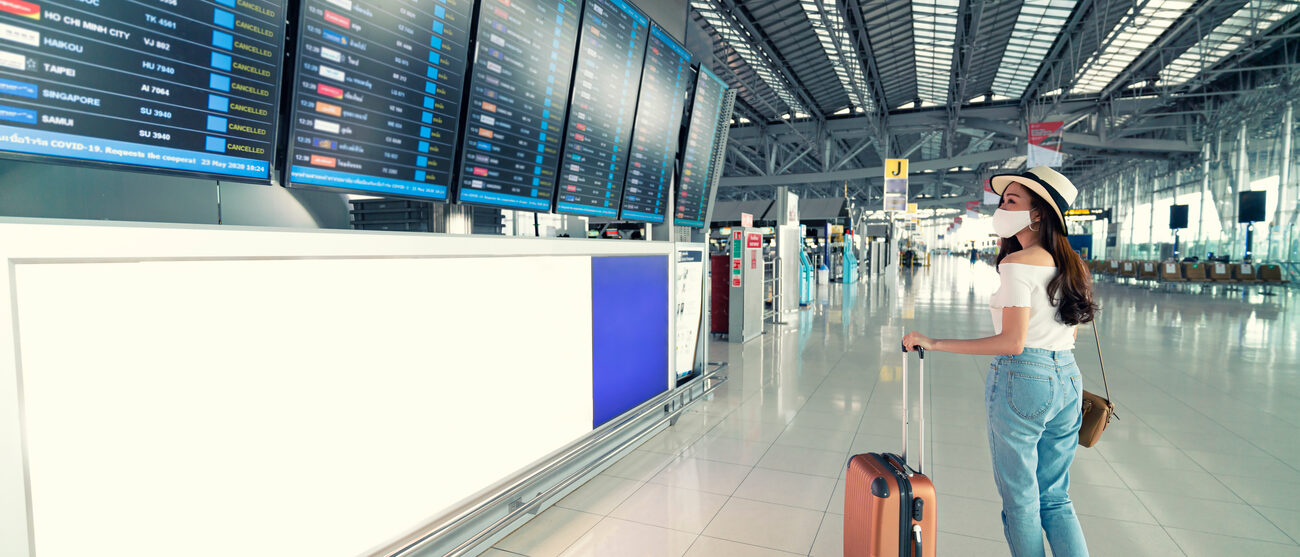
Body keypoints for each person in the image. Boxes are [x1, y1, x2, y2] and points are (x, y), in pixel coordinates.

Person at [902, 166, 1096, 557]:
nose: (1001, 207)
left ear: (1038, 213)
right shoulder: (1072, 263)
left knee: (1021, 502)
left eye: (1011, 200)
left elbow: (1013, 341)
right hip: (1068, 381)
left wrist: (935, 342)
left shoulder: (1017, 263)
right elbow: (1071, 332)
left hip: (1024, 381)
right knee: (1056, 498)